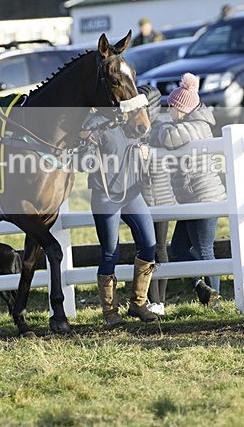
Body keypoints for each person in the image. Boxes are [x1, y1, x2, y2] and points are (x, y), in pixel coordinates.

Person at [154, 73, 226, 308]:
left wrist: (157, 128)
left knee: (205, 250)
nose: (169, 111)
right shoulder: (188, 123)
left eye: (172, 107)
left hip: (203, 197)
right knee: (179, 247)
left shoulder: (196, 126)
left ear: (182, 108)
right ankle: (200, 286)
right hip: (191, 199)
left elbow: (167, 137)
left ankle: (214, 301)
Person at [84, 104, 158, 326]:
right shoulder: (94, 124)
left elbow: (139, 136)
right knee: (110, 252)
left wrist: (143, 149)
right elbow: (83, 160)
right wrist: (89, 150)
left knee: (149, 244)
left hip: (131, 193)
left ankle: (139, 303)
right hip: (106, 195)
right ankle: (110, 313)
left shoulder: (127, 121)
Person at [137, 85, 175, 316]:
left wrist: (146, 153)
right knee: (149, 247)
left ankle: (158, 300)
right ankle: (154, 300)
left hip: (157, 196)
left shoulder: (159, 128)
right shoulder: (139, 127)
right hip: (144, 195)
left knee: (156, 246)